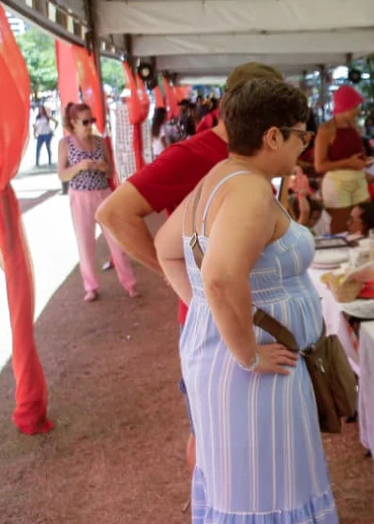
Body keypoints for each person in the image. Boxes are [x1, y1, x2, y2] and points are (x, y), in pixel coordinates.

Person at [152, 77, 350, 524]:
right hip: (255, 375)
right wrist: (244, 349)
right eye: (298, 135)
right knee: (270, 490)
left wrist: (209, 325)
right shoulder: (247, 190)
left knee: (245, 489)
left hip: (232, 365)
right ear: (271, 135)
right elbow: (216, 277)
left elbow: (169, 250)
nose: (303, 144)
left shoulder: (217, 180)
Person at [96, 62, 285, 473]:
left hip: (246, 313)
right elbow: (114, 213)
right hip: (214, 320)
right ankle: (213, 519)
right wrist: (177, 282)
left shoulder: (246, 155)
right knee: (212, 435)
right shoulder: (194, 154)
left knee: (240, 439)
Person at [57, 103, 137, 302]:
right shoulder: (65, 144)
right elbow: (62, 174)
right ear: (73, 123)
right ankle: (90, 286)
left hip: (103, 193)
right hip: (80, 196)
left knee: (116, 240)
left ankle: (129, 283)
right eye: (85, 122)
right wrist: (79, 167)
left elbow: (111, 170)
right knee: (85, 243)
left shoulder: (100, 142)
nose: (89, 125)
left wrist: (103, 166)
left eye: (92, 121)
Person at [314, 85, 370, 233]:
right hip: (337, 183)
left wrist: (365, 162)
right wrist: (348, 163)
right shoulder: (326, 129)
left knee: (364, 222)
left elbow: (359, 152)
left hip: (358, 180)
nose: (358, 111)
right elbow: (319, 166)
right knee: (341, 227)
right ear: (346, 106)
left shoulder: (354, 126)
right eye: (355, 106)